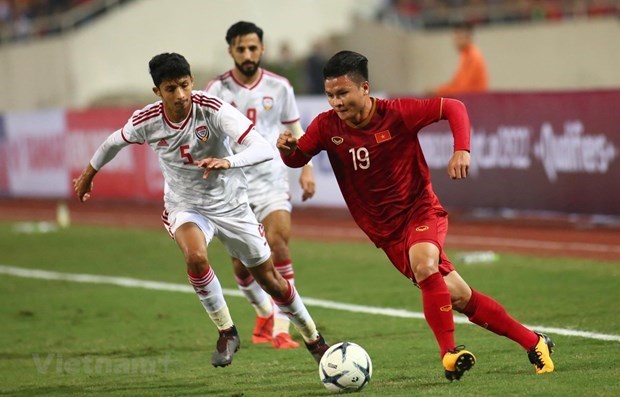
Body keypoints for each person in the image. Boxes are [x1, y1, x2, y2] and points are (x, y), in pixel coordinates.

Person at [277, 50, 554, 381]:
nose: (336, 101)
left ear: (364, 88)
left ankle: (449, 354)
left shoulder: (396, 114)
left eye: (343, 93)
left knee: (425, 264)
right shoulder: (326, 126)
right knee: (460, 296)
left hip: (420, 209)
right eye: (330, 95)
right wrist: (287, 149)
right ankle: (534, 341)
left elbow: (454, 107)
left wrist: (462, 149)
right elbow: (297, 159)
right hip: (386, 233)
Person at [73, 52, 329, 368]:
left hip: (232, 205)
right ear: (158, 92)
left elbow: (262, 147)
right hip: (186, 205)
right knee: (195, 257)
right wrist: (88, 174)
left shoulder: (212, 109)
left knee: (270, 280)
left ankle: (313, 337)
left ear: (192, 81)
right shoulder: (148, 120)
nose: (180, 95)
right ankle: (227, 331)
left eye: (184, 85)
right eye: (170, 89)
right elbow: (114, 141)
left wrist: (228, 161)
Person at [205, 21, 316, 350]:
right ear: (231, 51)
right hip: (233, 185)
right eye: (241, 49)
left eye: (253, 48)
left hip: (271, 179)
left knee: (279, 245)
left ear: (262, 49)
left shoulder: (280, 87)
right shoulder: (216, 91)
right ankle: (262, 311)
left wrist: (306, 168)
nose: (248, 54)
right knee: (242, 265)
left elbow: (296, 130)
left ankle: (282, 328)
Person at [427, 22, 488, 97]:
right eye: (455, 38)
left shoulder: (472, 56)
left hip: (473, 102)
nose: (456, 41)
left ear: (468, 37)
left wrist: (438, 91)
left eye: (459, 38)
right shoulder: (465, 55)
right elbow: (456, 83)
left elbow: (462, 88)